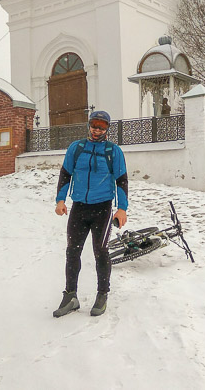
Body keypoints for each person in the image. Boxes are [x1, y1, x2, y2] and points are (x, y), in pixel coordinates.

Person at [53, 110, 128, 317]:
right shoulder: (76, 148)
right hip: (79, 207)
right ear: (89, 125)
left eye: (102, 126)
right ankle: (70, 296)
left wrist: (122, 208)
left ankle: (102, 294)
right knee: (72, 251)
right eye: (94, 125)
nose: (97, 130)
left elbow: (121, 180)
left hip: (102, 208)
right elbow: (65, 174)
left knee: (100, 251)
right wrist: (61, 200)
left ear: (107, 129)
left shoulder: (113, 151)